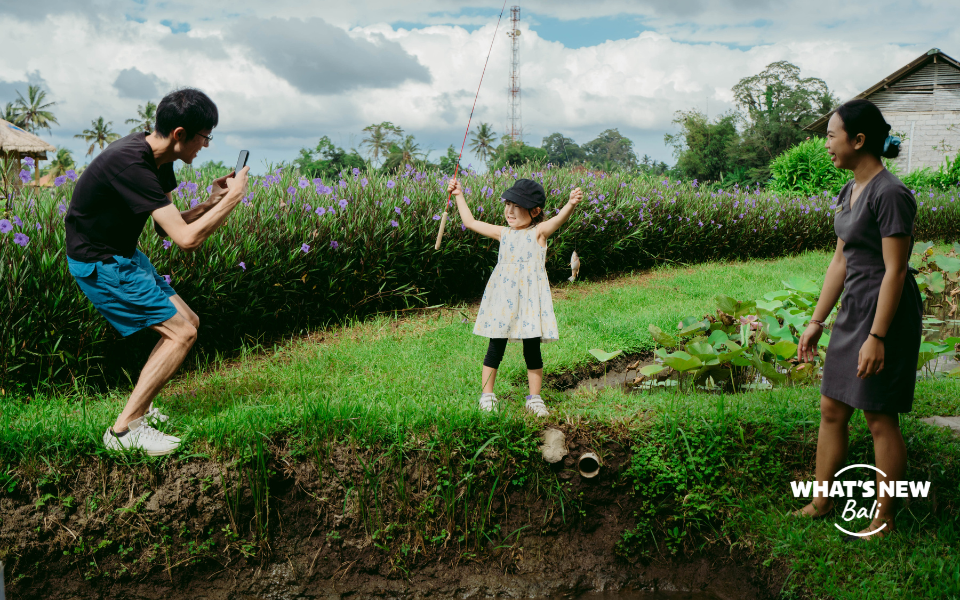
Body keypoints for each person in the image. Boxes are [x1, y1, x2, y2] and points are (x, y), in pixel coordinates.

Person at [65, 88, 250, 456]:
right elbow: (186, 241)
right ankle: (122, 432)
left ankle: (143, 409)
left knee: (188, 321)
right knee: (180, 334)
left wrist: (210, 202)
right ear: (180, 134)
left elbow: (166, 227)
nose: (206, 146)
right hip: (100, 263)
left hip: (124, 255)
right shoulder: (132, 163)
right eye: (204, 137)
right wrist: (232, 199)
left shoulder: (158, 160)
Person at [794, 99, 921, 541]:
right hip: (854, 309)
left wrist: (877, 336)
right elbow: (840, 262)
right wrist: (816, 321)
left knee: (879, 416)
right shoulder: (849, 191)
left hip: (886, 313)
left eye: (831, 135)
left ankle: (883, 516)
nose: (826, 144)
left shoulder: (891, 194)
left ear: (858, 140)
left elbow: (896, 270)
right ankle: (821, 499)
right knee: (832, 406)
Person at [447, 177, 582, 417]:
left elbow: (559, 220)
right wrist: (458, 194)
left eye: (517, 206)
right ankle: (487, 395)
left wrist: (571, 203)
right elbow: (469, 221)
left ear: (535, 210)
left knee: (532, 350)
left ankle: (535, 398)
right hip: (503, 301)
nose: (510, 211)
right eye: (507, 204)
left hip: (530, 303)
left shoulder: (539, 232)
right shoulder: (504, 234)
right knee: (495, 347)